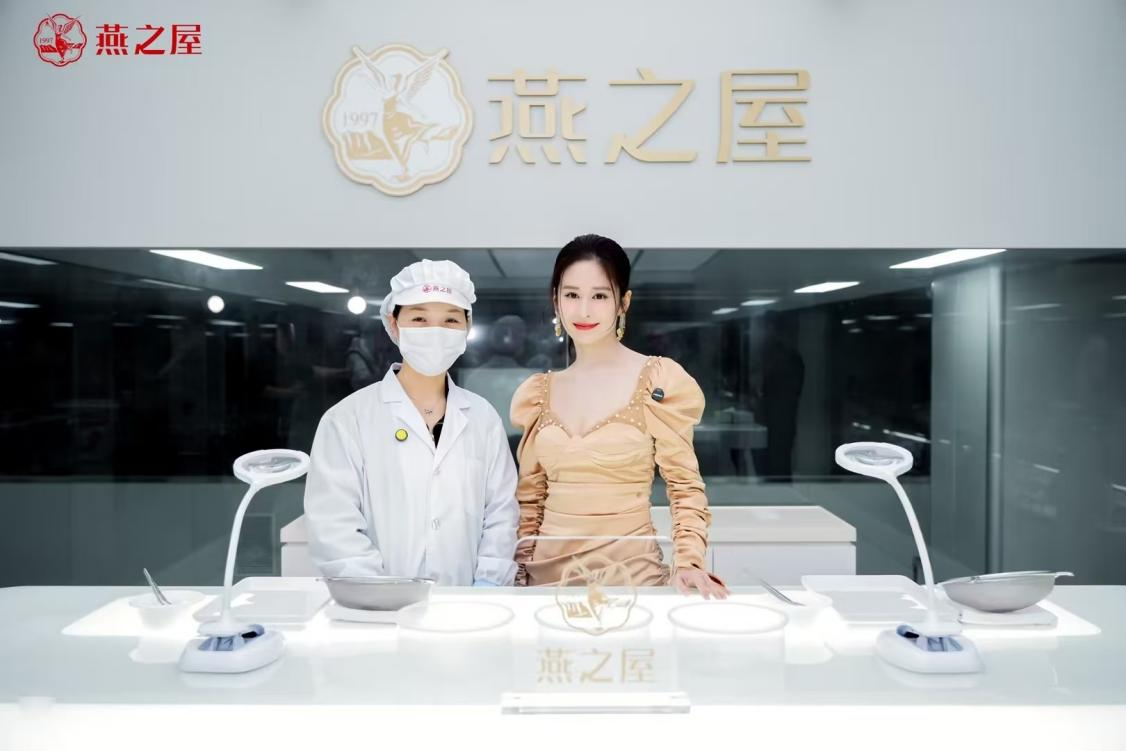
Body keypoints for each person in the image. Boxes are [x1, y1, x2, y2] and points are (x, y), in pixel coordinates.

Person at [510, 235, 728, 598]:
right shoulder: (538, 392)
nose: (583, 311)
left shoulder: (657, 380)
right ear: (556, 300)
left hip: (632, 582)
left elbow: (684, 487)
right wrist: (517, 575)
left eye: (599, 296)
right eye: (572, 294)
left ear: (623, 302)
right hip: (545, 586)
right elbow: (530, 502)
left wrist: (689, 562)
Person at [303, 259, 519, 586]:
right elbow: (334, 526)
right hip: (377, 606)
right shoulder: (347, 419)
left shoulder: (483, 417)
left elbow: (501, 514)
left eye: (450, 319)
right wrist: (381, 596)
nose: (435, 332)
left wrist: (488, 584)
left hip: (468, 603)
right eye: (419, 318)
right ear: (394, 324)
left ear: (466, 328)